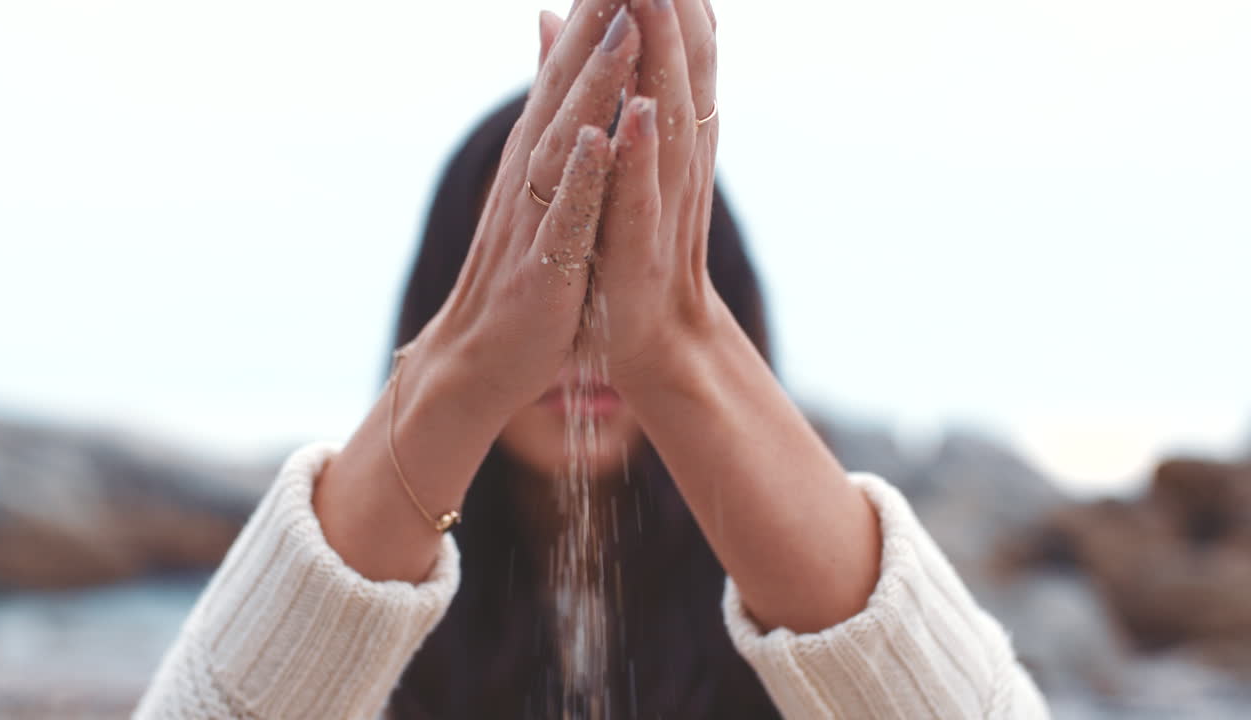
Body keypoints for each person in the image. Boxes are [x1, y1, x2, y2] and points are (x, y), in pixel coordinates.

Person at [134, 1, 1050, 718]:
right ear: (458, 287)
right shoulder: (390, 625)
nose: (582, 336)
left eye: (609, 281)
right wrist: (474, 358)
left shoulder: (756, 579)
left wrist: (676, 342)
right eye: (553, 284)